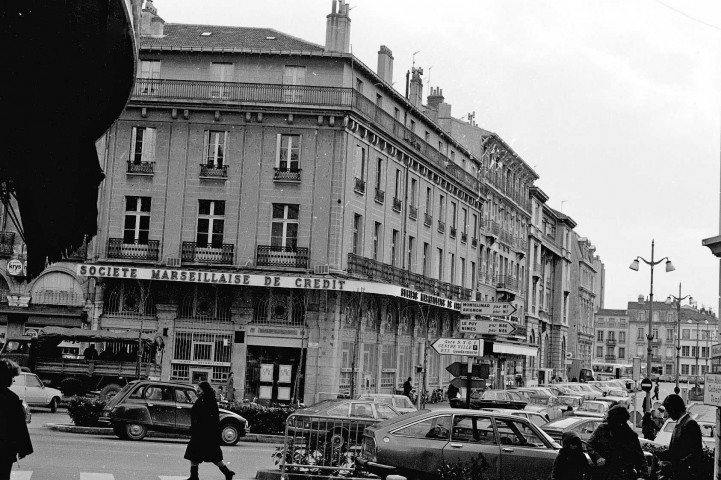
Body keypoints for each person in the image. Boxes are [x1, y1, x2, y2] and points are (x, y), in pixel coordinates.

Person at [183, 381, 235, 480]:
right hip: (200, 433)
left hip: (206, 434)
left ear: (204, 390)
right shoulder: (202, 399)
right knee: (194, 455)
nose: (197, 392)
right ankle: (194, 476)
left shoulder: (209, 401)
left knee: (213, 457)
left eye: (199, 390)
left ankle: (227, 473)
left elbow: (210, 418)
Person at [588, 405, 647, 480]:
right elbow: (589, 444)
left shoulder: (631, 436)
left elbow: (640, 457)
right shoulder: (602, 429)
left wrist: (643, 476)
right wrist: (597, 457)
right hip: (604, 473)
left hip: (624, 475)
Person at [656, 394, 703, 480]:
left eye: (668, 410)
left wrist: (674, 464)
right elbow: (677, 449)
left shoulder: (690, 424)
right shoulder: (681, 423)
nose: (668, 414)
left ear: (673, 409)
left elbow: (695, 453)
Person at [0, 358, 33, 480]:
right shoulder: (11, 399)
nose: (13, 380)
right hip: (3, 450)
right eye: (12, 376)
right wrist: (23, 449)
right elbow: (19, 427)